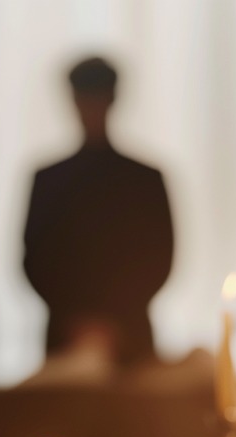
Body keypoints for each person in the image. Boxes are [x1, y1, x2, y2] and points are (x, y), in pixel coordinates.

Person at [23, 56, 174, 369]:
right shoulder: (48, 179)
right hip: (73, 332)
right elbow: (34, 258)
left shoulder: (145, 179)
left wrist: (106, 320)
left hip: (126, 333)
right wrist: (81, 320)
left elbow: (160, 256)